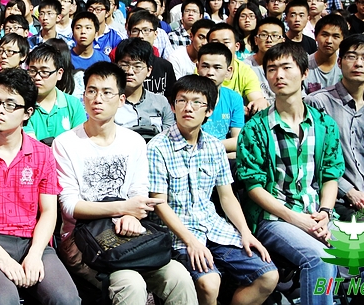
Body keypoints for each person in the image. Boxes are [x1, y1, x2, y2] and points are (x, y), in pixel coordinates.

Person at [237, 42, 364, 305]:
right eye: (271, 69)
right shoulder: (255, 128)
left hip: (318, 214)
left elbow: (330, 176)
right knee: (320, 259)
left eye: (286, 67)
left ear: (304, 73)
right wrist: (297, 219)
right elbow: (254, 187)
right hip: (275, 218)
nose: (278, 75)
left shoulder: (323, 124)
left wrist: (325, 212)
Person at [53, 62, 198, 305]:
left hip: (129, 233)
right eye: (91, 91)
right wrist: (124, 209)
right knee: (131, 283)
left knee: (179, 277)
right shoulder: (66, 143)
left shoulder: (134, 141)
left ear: (121, 100)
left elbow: (138, 194)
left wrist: (131, 216)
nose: (98, 99)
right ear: (83, 96)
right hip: (84, 240)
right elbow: (70, 206)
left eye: (107, 92)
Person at [148, 75, 278, 305]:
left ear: (209, 110)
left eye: (196, 102)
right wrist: (191, 242)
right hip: (178, 234)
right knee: (209, 283)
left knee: (268, 276)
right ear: (173, 106)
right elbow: (160, 204)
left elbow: (227, 197)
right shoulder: (157, 147)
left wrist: (245, 232)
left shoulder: (214, 146)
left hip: (215, 228)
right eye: (181, 101)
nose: (188, 108)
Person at [0, 69, 81, 304]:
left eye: (10, 104)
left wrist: (35, 254)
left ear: (27, 113)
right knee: (3, 301)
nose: (0, 110)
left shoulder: (43, 155)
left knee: (66, 299)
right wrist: (2, 258)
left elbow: (49, 211)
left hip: (33, 240)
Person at [305, 34, 364, 285]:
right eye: (351, 56)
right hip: (339, 201)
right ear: (340, 62)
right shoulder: (318, 103)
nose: (358, 63)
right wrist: (351, 193)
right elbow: (316, 162)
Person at [24, 43, 86, 143]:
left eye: (44, 72)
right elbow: (31, 145)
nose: (37, 77)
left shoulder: (73, 105)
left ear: (59, 73)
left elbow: (80, 143)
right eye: (32, 71)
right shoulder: (22, 105)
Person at [114, 38, 174, 135]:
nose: (130, 72)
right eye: (124, 65)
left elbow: (169, 136)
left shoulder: (161, 102)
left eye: (137, 67)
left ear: (149, 71)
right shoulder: (109, 103)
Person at [196, 43, 245, 158]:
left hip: (222, 157)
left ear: (229, 71)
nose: (210, 72)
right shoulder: (187, 96)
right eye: (205, 66)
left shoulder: (234, 98)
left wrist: (211, 149)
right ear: (197, 67)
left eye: (217, 67)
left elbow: (238, 140)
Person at [208, 23, 268, 113]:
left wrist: (259, 102)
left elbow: (257, 98)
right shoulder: (202, 69)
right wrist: (235, 108)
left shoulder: (245, 71)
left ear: (237, 46)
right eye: (215, 43)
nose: (221, 46)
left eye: (226, 42)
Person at [244, 17, 286, 105]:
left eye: (275, 36)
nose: (269, 40)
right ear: (256, 40)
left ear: (283, 41)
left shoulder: (289, 66)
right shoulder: (245, 67)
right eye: (263, 35)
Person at [304, 14, 347, 94]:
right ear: (316, 36)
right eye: (325, 35)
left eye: (335, 36)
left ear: (343, 40)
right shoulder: (304, 65)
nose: (329, 41)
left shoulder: (347, 66)